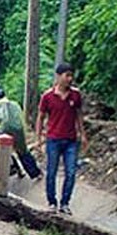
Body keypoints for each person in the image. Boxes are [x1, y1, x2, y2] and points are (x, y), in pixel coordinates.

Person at [35, 62, 88, 215]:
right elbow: (41, 117)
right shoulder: (47, 96)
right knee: (51, 172)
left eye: (71, 75)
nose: (70, 79)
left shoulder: (75, 95)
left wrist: (83, 134)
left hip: (71, 140)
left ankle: (65, 203)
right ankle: (52, 202)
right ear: (58, 77)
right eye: (67, 75)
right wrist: (39, 139)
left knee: (71, 172)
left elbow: (78, 115)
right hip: (53, 139)